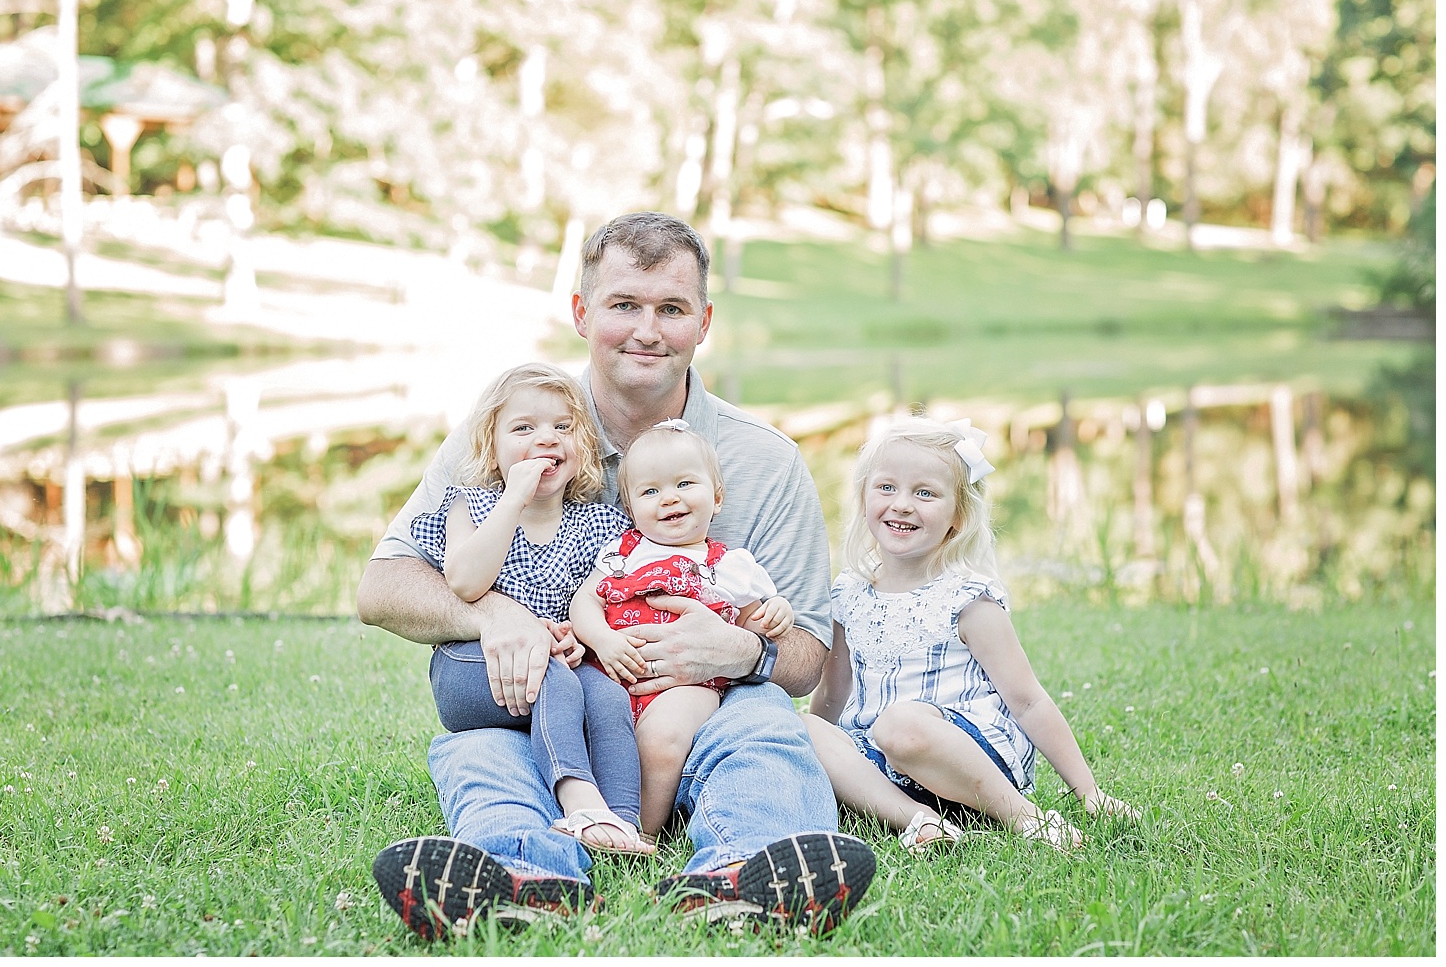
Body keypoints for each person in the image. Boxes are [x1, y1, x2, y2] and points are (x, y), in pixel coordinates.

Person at [360, 211, 874, 940]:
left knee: (763, 722)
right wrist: (493, 615)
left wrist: (746, 650)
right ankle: (524, 874)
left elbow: (806, 659)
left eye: (672, 308)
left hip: (696, 715)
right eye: (624, 305)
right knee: (481, 743)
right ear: (580, 312)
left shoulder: (765, 461)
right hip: (544, 708)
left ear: (704, 322)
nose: (647, 330)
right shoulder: (510, 427)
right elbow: (379, 586)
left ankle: (749, 868)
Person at [804, 417, 1140, 857]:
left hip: (970, 761)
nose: (901, 504)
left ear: (958, 516)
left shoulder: (966, 598)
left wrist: (1088, 791)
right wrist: (814, 757)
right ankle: (920, 821)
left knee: (900, 724)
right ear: (864, 496)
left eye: (925, 493)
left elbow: (1028, 700)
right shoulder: (849, 592)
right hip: (884, 768)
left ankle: (1023, 816)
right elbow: (832, 693)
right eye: (886, 488)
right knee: (801, 727)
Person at [406, 362, 653, 855]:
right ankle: (577, 799)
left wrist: (575, 636)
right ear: (491, 448)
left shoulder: (599, 525)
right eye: (524, 428)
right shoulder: (469, 507)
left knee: (605, 698)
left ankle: (623, 823)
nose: (547, 439)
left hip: (562, 659)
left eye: (563, 427)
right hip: (471, 667)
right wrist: (514, 498)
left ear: (580, 446)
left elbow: (602, 602)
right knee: (552, 677)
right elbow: (465, 580)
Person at [569, 418, 795, 835]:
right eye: (650, 491)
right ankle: (595, 816)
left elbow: (748, 627)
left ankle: (641, 831)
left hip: (688, 686)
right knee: (588, 729)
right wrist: (602, 638)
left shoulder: (731, 566)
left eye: (685, 484)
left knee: (663, 740)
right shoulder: (621, 553)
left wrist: (776, 610)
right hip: (614, 673)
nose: (669, 499)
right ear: (631, 509)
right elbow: (584, 601)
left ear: (718, 497)